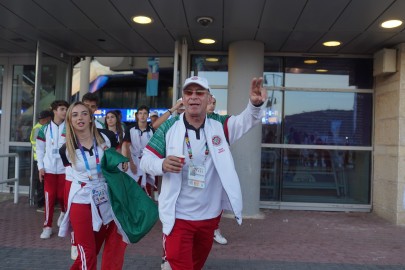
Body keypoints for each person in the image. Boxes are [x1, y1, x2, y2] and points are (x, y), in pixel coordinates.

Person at [140, 76, 266, 270]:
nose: (194, 97)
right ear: (182, 98)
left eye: (200, 93)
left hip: (209, 216)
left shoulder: (219, 126)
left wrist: (255, 106)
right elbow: (145, 160)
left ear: (208, 99)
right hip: (178, 217)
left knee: (195, 265)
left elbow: (246, 121)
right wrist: (162, 164)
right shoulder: (168, 127)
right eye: (189, 93)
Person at [58, 101, 127, 270]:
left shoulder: (107, 137)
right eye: (74, 115)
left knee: (93, 251)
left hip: (104, 199)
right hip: (80, 200)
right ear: (70, 121)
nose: (79, 117)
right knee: (87, 253)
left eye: (84, 113)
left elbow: (116, 162)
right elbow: (70, 177)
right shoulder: (65, 149)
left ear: (90, 118)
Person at [36, 100, 69, 239]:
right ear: (55, 111)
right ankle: (47, 227)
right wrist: (40, 167)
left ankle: (63, 212)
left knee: (62, 197)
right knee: (49, 198)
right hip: (49, 169)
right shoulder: (44, 129)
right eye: (62, 109)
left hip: (65, 170)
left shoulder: (69, 128)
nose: (65, 112)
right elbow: (39, 149)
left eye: (66, 109)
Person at [206, 94, 228, 245]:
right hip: (196, 169)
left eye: (214, 103)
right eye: (209, 103)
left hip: (216, 168)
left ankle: (214, 229)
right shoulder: (188, 119)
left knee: (217, 199)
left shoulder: (219, 119)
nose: (212, 105)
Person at [122, 105, 156, 196]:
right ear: (137, 115)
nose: (142, 116)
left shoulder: (152, 131)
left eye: (145, 113)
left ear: (148, 115)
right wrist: (131, 163)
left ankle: (147, 208)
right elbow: (126, 146)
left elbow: (154, 149)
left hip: (147, 161)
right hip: (133, 159)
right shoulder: (130, 129)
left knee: (147, 188)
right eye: (140, 113)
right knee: (133, 188)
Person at [30, 110, 52, 210]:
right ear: (46, 119)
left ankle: (45, 204)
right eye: (49, 119)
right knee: (40, 183)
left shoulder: (42, 127)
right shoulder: (38, 129)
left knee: (43, 183)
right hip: (39, 160)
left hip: (44, 160)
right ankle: (40, 205)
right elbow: (36, 144)